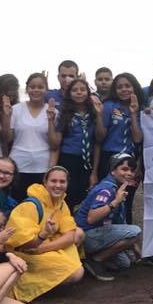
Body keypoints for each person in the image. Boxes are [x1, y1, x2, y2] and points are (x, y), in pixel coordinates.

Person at [4, 166, 85, 301]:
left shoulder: (61, 203)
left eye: (62, 182)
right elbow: (25, 245)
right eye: (53, 181)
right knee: (77, 273)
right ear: (45, 183)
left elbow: (70, 235)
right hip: (23, 253)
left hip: (40, 247)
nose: (58, 185)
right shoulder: (30, 205)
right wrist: (43, 236)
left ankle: (51, 279)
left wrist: (41, 248)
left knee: (79, 233)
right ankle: (28, 287)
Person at [75, 153, 143, 280]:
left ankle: (90, 259)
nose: (129, 173)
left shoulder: (117, 187)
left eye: (132, 170)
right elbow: (91, 218)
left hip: (100, 233)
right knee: (135, 231)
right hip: (87, 235)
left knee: (125, 263)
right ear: (112, 171)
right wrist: (115, 202)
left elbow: (118, 222)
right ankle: (95, 260)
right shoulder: (106, 189)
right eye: (124, 169)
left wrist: (135, 247)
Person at [56, 78, 106, 208]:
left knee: (86, 199)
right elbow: (56, 144)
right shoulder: (64, 114)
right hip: (68, 160)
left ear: (88, 93)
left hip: (87, 161)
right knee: (68, 198)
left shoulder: (94, 113)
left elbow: (99, 139)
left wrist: (94, 172)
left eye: (83, 89)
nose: (79, 93)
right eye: (75, 90)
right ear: (69, 93)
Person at [10, 73, 59, 200]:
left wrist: (50, 121)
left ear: (46, 89)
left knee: (41, 206)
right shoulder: (15, 110)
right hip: (18, 166)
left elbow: (55, 145)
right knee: (17, 204)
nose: (36, 90)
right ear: (26, 89)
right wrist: (5, 116)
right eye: (32, 87)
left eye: (40, 87)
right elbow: (7, 139)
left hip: (43, 168)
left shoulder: (53, 111)